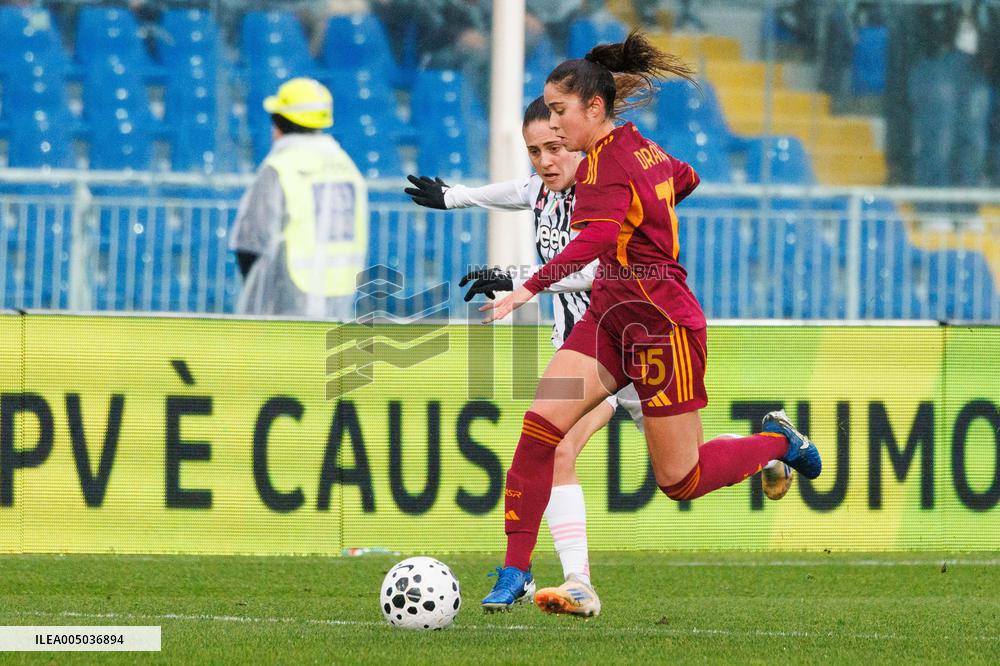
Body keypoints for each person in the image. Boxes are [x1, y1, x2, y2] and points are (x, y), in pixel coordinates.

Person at [477, 31, 822, 612]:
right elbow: (684, 177)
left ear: (593, 108)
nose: (554, 128)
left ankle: (774, 443)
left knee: (679, 479)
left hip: (662, 325)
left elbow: (597, 237)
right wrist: (649, 223)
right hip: (611, 315)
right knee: (540, 432)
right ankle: (514, 572)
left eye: (560, 113)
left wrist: (525, 287)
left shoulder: (601, 171)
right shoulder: (638, 146)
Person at [407, 97, 792, 617]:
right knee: (559, 445)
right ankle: (558, 578)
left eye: (555, 147)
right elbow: (513, 191)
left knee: (680, 476)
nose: (546, 161)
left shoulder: (605, 187)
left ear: (579, 143)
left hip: (640, 337)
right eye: (534, 151)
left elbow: (600, 269)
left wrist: (518, 279)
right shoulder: (543, 191)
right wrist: (455, 197)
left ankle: (771, 446)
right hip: (593, 348)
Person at [229, 77, 368, 320]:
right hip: (339, 293)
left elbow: (250, 242)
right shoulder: (347, 166)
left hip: (285, 295)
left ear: (277, 122)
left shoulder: (281, 166)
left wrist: (257, 291)